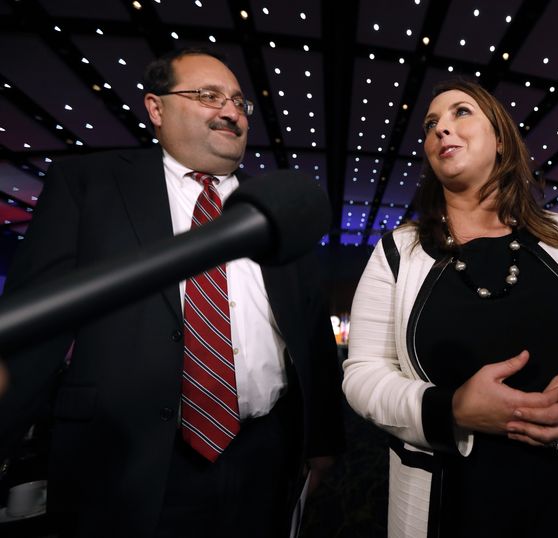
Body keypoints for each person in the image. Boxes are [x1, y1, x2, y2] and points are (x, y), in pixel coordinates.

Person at [0, 48, 344, 537]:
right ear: (156, 108)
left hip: (263, 459)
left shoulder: (279, 209)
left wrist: (321, 440)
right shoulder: (89, 185)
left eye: (239, 103)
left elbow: (312, 334)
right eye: (208, 95)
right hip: (123, 462)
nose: (230, 111)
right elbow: (32, 330)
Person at [342, 79, 558, 538]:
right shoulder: (398, 251)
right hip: (451, 498)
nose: (442, 129)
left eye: (461, 113)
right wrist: (452, 409)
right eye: (431, 124)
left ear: (500, 139)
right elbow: (363, 374)